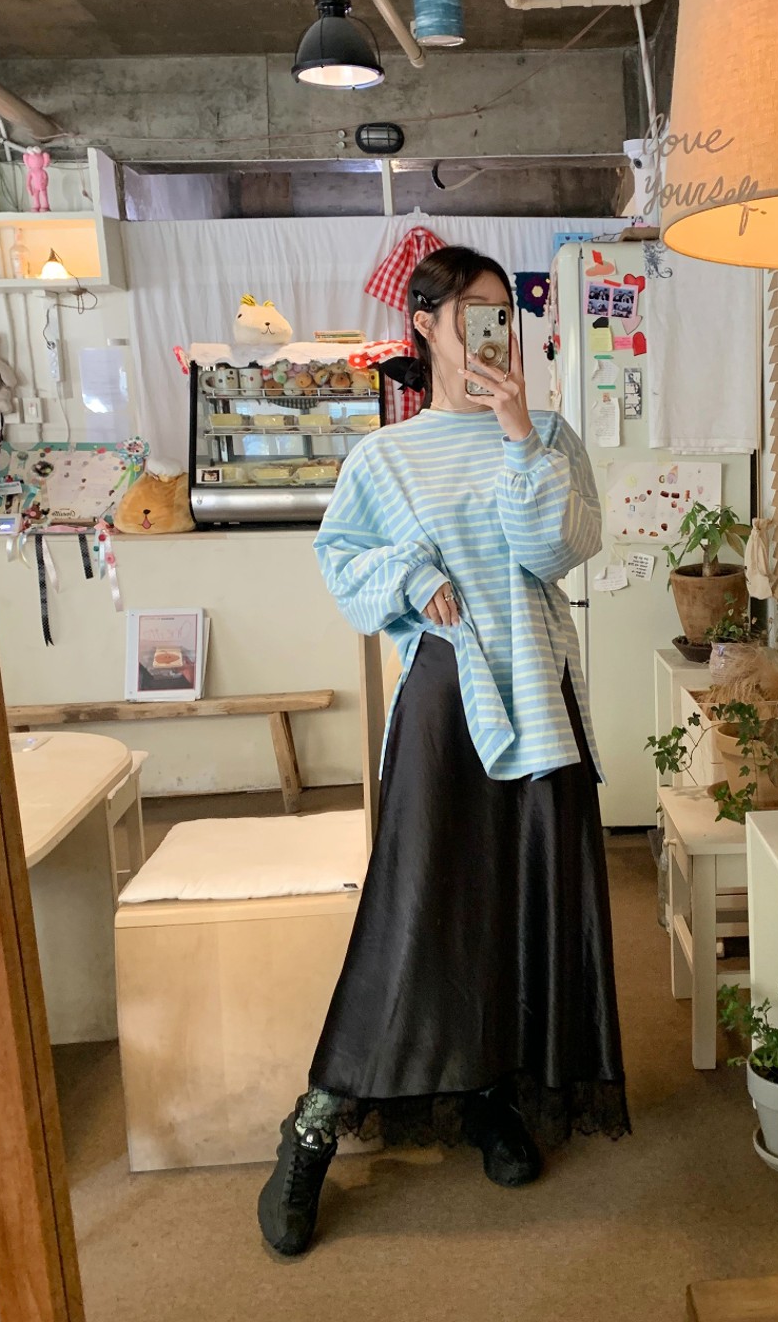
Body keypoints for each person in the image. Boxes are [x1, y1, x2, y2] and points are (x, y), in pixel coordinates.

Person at [258, 245, 630, 1257]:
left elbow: (553, 551)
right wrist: (412, 578)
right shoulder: (386, 458)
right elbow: (343, 561)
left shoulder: (550, 437)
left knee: (523, 901)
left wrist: (518, 435)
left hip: (540, 697)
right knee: (418, 907)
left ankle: (490, 1094)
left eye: (502, 311)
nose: (491, 329)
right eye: (471, 311)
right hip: (444, 698)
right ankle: (315, 1123)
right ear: (425, 325)